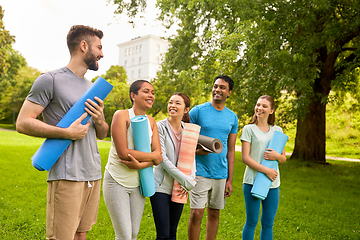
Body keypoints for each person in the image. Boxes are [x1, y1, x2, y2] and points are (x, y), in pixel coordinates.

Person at [16, 25, 108, 240]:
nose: (102, 54)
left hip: (92, 173)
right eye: (99, 47)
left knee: (81, 234)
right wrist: (67, 133)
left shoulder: (92, 87)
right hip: (67, 175)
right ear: (83, 46)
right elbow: (23, 122)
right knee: (61, 237)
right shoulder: (51, 80)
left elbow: (102, 134)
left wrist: (100, 119)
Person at [103, 79, 162, 240]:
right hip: (116, 181)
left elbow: (159, 156)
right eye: (146, 91)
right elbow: (123, 153)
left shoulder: (151, 121)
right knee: (124, 236)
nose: (151, 95)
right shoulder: (121, 116)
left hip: (138, 183)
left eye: (153, 92)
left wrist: (142, 164)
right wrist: (152, 158)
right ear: (133, 95)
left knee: (133, 234)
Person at [188, 75, 238, 240]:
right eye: (216, 86)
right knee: (196, 213)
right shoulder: (198, 111)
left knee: (214, 214)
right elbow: (185, 137)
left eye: (222, 87)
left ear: (229, 92)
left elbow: (231, 150)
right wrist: (196, 152)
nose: (217, 89)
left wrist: (229, 179)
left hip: (220, 174)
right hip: (200, 171)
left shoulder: (232, 117)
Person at [150, 93, 197, 240]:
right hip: (160, 186)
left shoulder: (189, 130)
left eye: (177, 103)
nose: (172, 106)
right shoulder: (159, 127)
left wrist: (191, 179)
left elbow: (192, 156)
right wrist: (185, 179)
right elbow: (162, 158)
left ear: (186, 109)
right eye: (171, 102)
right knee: (163, 235)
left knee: (172, 232)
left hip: (180, 188)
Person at [240, 95, 287, 240]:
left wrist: (276, 156)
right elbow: (245, 158)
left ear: (271, 110)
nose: (260, 108)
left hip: (272, 183)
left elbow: (283, 158)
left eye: (264, 106)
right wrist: (265, 170)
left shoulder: (277, 130)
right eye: (258, 105)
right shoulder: (249, 129)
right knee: (251, 221)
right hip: (252, 181)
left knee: (268, 224)